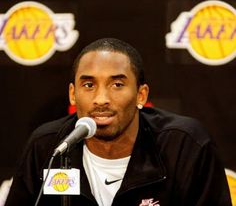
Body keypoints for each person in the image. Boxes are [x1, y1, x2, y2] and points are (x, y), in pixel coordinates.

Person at [5, 38, 232, 206]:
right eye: (89, 85)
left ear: (141, 95)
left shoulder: (184, 145)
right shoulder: (48, 146)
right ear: (73, 94)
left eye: (117, 85)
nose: (101, 99)